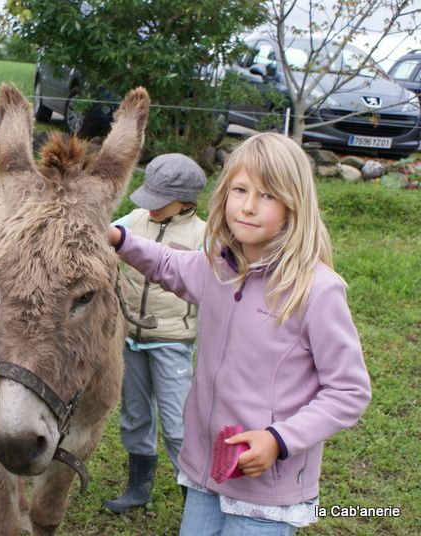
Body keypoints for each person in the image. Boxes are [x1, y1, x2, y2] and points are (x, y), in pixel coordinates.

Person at [108, 132, 371, 534]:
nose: (248, 206)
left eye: (267, 195)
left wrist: (278, 439)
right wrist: (120, 239)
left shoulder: (317, 290)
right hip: (206, 469)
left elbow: (349, 391)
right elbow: (168, 265)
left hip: (265, 486)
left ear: (294, 205)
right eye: (240, 190)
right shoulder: (218, 267)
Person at [103, 154, 207, 514]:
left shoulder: (203, 236)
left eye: (160, 201)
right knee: (134, 415)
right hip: (130, 338)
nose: (151, 208)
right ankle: (138, 487)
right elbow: (102, 239)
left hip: (172, 343)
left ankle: (192, 496)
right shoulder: (132, 221)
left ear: (186, 202)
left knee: (178, 423)